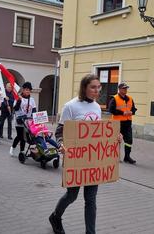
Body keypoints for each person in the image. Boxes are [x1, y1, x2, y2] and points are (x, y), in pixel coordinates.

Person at [49, 74, 103, 234]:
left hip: (93, 160)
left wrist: (114, 137)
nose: (97, 90)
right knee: (72, 195)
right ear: (84, 88)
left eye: (98, 87)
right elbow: (59, 131)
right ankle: (55, 217)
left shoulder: (97, 107)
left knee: (91, 200)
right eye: (93, 87)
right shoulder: (71, 106)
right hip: (76, 159)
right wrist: (60, 145)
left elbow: (98, 133)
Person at [108, 82, 137, 164]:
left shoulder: (130, 98)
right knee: (116, 140)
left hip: (128, 123)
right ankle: (114, 156)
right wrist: (122, 113)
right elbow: (111, 110)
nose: (125, 90)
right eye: (124, 88)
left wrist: (132, 112)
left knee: (129, 141)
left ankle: (127, 157)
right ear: (119, 89)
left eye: (126, 88)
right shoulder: (114, 98)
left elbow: (134, 109)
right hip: (118, 123)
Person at [9, 82, 36, 156]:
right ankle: (12, 147)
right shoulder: (18, 98)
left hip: (28, 121)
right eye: (26, 89)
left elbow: (34, 110)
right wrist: (19, 101)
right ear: (23, 90)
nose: (27, 91)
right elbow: (15, 109)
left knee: (24, 137)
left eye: (29, 90)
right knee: (20, 136)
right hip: (19, 120)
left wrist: (35, 118)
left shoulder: (32, 100)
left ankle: (22, 152)